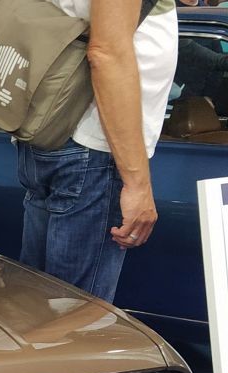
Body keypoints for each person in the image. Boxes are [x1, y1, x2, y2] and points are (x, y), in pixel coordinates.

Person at [16, 0, 178, 302]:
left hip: (59, 131)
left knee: (39, 304)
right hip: (95, 146)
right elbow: (107, 53)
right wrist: (137, 183)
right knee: (77, 315)